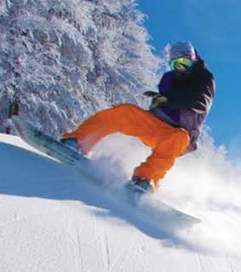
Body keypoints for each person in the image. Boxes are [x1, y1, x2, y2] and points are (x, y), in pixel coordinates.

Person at [60, 41, 215, 192]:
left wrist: (170, 100)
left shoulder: (204, 78)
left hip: (177, 134)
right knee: (124, 112)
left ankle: (146, 180)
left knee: (178, 138)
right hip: (154, 125)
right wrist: (159, 100)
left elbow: (200, 102)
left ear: (193, 60)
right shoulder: (169, 78)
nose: (180, 68)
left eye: (184, 63)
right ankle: (80, 142)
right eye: (175, 64)